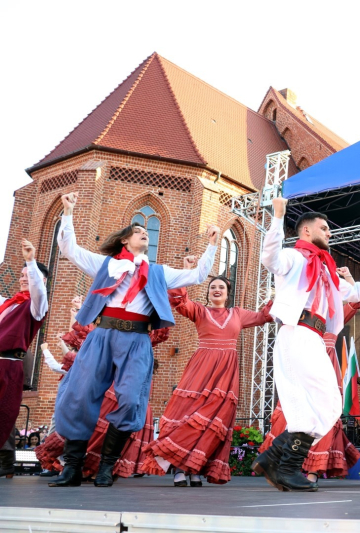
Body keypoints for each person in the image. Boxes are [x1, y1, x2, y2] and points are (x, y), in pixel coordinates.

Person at [49, 191, 218, 488]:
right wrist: (68, 211)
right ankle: (72, 467)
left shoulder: (157, 272)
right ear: (125, 241)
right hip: (102, 335)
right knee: (79, 395)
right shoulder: (105, 264)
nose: (144, 234)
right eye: (138, 231)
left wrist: (212, 245)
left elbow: (198, 275)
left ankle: (106, 466)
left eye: (146, 233)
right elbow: (69, 248)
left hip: (137, 339)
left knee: (129, 400)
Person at [252, 197, 360, 492]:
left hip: (315, 337)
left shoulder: (327, 269)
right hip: (296, 332)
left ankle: (275, 455)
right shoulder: (295, 257)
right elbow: (269, 258)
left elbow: (353, 293)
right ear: (306, 232)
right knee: (307, 407)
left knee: (330, 405)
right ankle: (287, 466)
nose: (329, 233)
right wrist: (278, 217)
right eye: (324, 228)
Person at [142, 264, 274, 486]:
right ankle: (179, 469)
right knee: (190, 417)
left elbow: (264, 316)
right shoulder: (200, 311)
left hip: (226, 374)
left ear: (227, 292)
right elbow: (180, 302)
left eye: (221, 287)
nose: (217, 290)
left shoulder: (238, 314)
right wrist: (187, 272)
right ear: (208, 292)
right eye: (213, 286)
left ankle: (195, 468)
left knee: (213, 422)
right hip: (201, 369)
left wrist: (282, 291)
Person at [37, 326, 170, 480]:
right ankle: (79, 467)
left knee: (112, 423)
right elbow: (84, 345)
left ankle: (101, 468)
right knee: (95, 425)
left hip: (124, 386)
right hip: (110, 386)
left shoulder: (141, 342)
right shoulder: (104, 336)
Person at [258, 294, 360, 482]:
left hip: (325, 371)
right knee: (295, 415)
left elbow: (356, 300)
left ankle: (313, 472)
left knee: (324, 417)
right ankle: (283, 464)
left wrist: (351, 277)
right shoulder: (302, 318)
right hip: (304, 367)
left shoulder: (333, 321)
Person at [0, 239, 48, 479]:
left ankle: (5, 462)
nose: (22, 278)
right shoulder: (7, 303)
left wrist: (31, 261)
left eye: (27, 275)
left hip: (9, 364)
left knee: (4, 412)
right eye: (21, 274)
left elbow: (39, 291)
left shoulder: (36, 305)